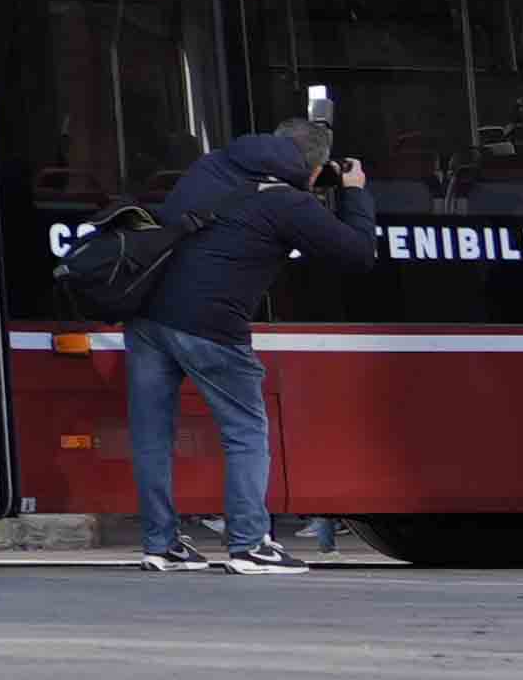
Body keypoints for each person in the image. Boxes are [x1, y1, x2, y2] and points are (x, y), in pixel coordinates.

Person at [120, 126, 382, 576]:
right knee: (245, 431)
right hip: (210, 326)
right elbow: (358, 254)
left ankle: (161, 545)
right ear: (315, 167)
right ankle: (249, 545)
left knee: (153, 436)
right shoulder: (288, 204)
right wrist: (354, 193)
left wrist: (310, 180)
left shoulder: (211, 166)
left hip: (147, 317)